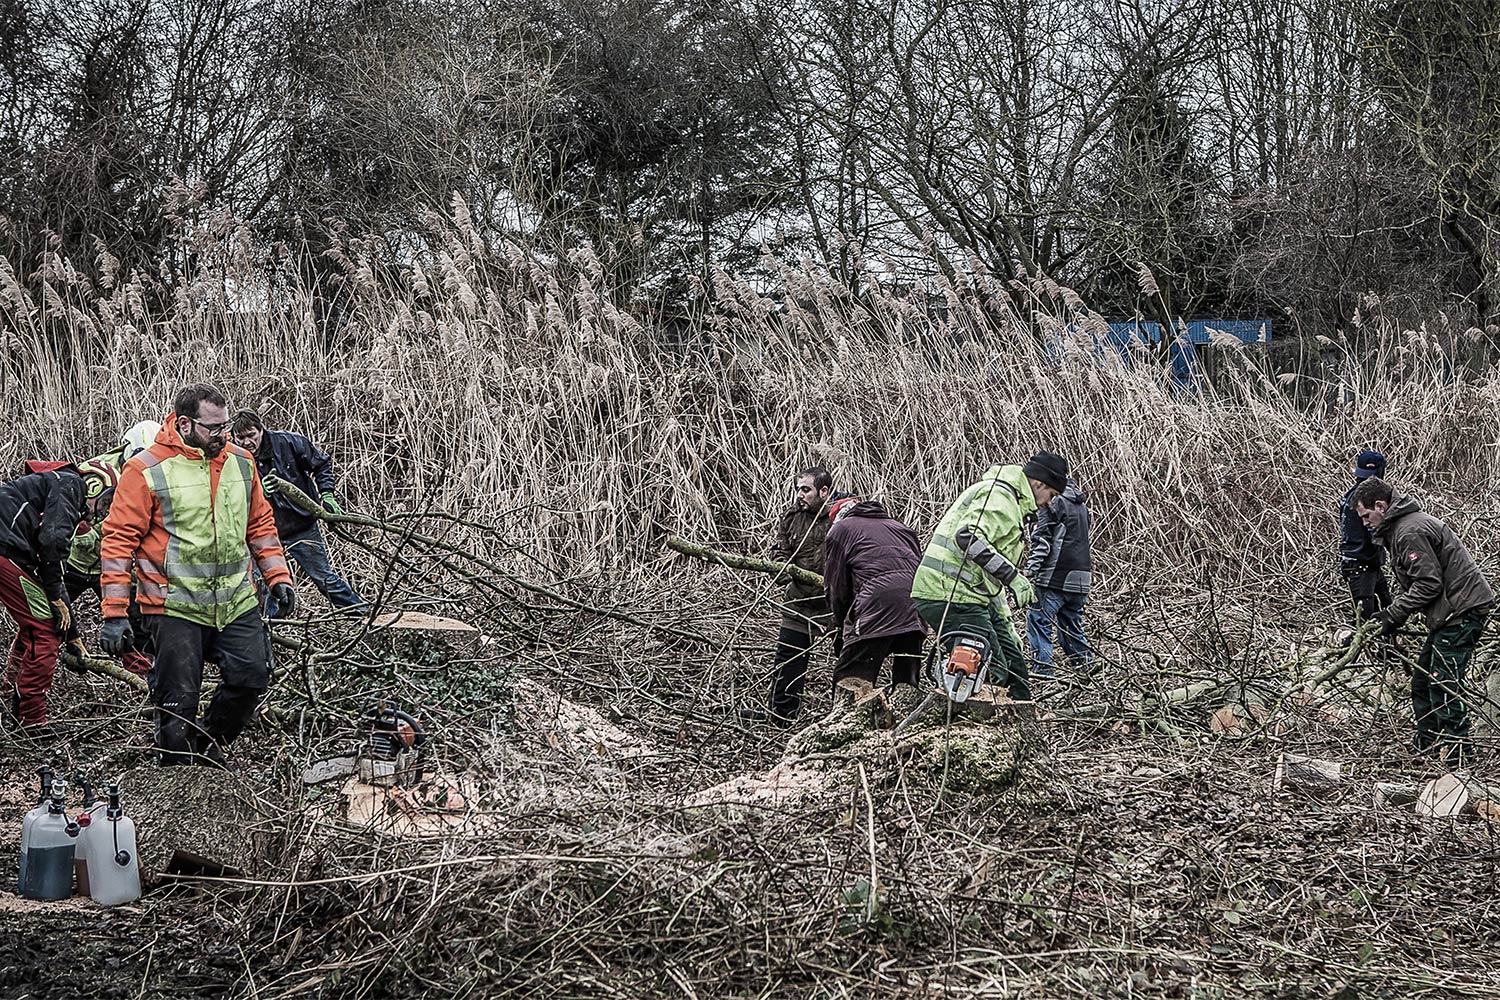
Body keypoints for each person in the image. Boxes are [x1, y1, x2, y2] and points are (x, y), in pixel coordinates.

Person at [99, 384, 296, 765]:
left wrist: (278, 577)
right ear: (185, 424)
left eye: (225, 426)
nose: (223, 434)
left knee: (252, 676)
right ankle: (175, 770)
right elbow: (118, 542)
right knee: (177, 699)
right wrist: (115, 613)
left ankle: (206, 747)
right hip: (173, 605)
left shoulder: (241, 462)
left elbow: (260, 524)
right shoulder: (146, 470)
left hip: (236, 601)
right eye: (213, 428)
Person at [1353, 476, 1495, 766]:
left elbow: (1428, 584)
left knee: (1443, 682)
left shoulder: (1409, 531)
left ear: (1380, 505)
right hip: (1452, 611)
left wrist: (1392, 613)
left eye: (1367, 515)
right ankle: (1427, 748)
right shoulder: (1402, 527)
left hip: (1462, 611)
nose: (1365, 522)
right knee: (1422, 680)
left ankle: (1460, 759)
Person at [910, 453, 1066, 702]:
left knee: (1015, 671)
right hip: (948, 593)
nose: (1049, 503)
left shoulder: (1011, 502)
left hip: (971, 594)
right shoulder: (1000, 497)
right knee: (990, 672)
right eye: (1053, 495)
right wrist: (1013, 576)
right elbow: (967, 538)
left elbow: (987, 574)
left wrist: (1005, 622)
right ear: (1039, 484)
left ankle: (1022, 728)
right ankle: (968, 726)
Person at [0, 461, 117, 726]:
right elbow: (53, 543)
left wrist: (73, 636)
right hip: (6, 550)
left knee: (43, 623)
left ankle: (11, 694)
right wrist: (53, 597)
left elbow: (53, 572)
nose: (106, 510)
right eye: (108, 500)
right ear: (95, 486)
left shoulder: (52, 492)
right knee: (43, 629)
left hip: (11, 551)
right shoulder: (70, 484)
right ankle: (31, 720)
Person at [230, 409, 365, 616]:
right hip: (264, 533)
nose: (247, 442)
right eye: (241, 437)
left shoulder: (288, 442)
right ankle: (273, 628)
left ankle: (362, 613)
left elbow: (321, 464)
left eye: (251, 435)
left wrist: (327, 495)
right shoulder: (232, 458)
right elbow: (230, 498)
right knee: (260, 585)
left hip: (301, 525)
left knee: (324, 579)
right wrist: (256, 494)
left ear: (261, 430)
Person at [63, 421, 163, 677]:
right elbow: (74, 519)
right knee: (47, 618)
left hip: (111, 564)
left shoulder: (155, 475)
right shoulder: (96, 475)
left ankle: (139, 678)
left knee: (134, 619)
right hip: (74, 560)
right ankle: (16, 677)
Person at [823, 497, 927, 695]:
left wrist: (842, 625)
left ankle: (847, 722)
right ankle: (907, 721)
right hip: (915, 607)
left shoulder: (841, 529)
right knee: (906, 686)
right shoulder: (901, 528)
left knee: (851, 679)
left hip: (877, 605)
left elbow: (836, 587)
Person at [761, 466, 840, 724]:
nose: (800, 494)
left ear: (824, 491)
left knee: (848, 661)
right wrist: (783, 570)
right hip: (799, 600)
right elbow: (779, 551)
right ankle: (782, 715)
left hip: (836, 604)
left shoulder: (843, 517)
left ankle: (840, 716)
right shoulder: (791, 517)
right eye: (798, 489)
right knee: (788, 659)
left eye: (806, 489)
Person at [1023, 476, 1093, 683]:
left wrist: (1029, 571)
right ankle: (1089, 673)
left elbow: (1042, 543)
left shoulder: (1051, 503)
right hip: (1082, 578)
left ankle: (1043, 677)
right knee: (1071, 627)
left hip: (1055, 578)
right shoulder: (1081, 506)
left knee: (1038, 622)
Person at [1339, 449, 1392, 621]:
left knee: (1386, 612)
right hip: (1361, 567)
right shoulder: (1367, 499)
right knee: (1369, 621)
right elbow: (1375, 531)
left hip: (1364, 564)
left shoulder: (1350, 495)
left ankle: (1390, 646)